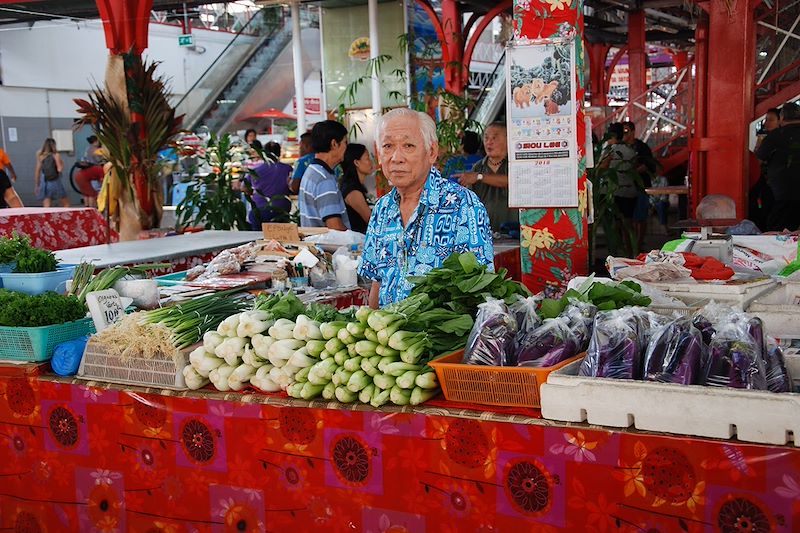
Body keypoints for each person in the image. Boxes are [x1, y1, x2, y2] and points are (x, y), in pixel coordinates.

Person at [358, 108, 494, 308]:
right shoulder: (382, 209)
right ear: (379, 155)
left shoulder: (462, 205)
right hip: (389, 335)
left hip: (439, 336)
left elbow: (479, 288)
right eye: (387, 146)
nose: (396, 157)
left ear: (432, 152)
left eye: (408, 145)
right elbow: (377, 282)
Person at [454, 123, 516, 232]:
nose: (489, 142)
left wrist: (480, 177)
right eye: (486, 138)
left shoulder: (514, 163)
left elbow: (513, 181)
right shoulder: (478, 167)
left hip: (513, 232)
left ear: (508, 140)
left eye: (494, 138)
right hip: (486, 232)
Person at [298, 120, 350, 230]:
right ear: (334, 144)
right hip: (329, 247)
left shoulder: (312, 171)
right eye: (345, 142)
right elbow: (335, 226)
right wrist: (360, 241)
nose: (346, 147)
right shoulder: (323, 179)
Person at [756, 102, 800, 231]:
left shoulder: (775, 136)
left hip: (782, 194)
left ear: (781, 118)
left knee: (777, 228)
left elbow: (757, 161)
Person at [599, 123, 638, 252]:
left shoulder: (610, 150)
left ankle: (616, 252)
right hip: (629, 192)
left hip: (612, 193)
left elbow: (602, 168)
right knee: (627, 224)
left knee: (613, 226)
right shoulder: (631, 150)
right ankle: (631, 250)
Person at [242, 141, 293, 228]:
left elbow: (244, 188)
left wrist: (251, 192)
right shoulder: (288, 169)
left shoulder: (255, 170)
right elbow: (293, 187)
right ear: (279, 153)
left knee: (257, 239)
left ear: (264, 153)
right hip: (281, 210)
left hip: (259, 211)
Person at [623, 122, 657, 252]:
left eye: (626, 131)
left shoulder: (642, 148)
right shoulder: (617, 148)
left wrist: (636, 170)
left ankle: (638, 244)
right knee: (626, 219)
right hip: (623, 188)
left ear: (632, 132)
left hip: (640, 187)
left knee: (640, 217)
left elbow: (650, 166)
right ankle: (628, 246)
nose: (624, 135)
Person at [750, 107, 780, 230]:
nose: (766, 123)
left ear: (781, 120)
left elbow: (758, 161)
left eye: (770, 120)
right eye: (765, 120)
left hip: (772, 183)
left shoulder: (772, 138)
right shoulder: (764, 138)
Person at [340, 143, 373, 234]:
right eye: (367, 158)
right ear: (356, 162)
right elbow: (370, 219)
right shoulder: (352, 191)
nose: (371, 162)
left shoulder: (356, 186)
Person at [34, 138, 70, 207]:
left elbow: (37, 171)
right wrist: (62, 163)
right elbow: (60, 169)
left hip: (44, 181)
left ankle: (47, 217)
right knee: (65, 203)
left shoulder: (40, 155)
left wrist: (37, 185)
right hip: (55, 181)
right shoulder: (56, 155)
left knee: (47, 204)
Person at [74, 135, 105, 207]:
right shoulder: (96, 150)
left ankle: (86, 207)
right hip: (93, 172)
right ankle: (93, 208)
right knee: (93, 193)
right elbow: (99, 160)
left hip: (83, 172)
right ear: (96, 141)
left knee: (86, 193)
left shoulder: (87, 149)